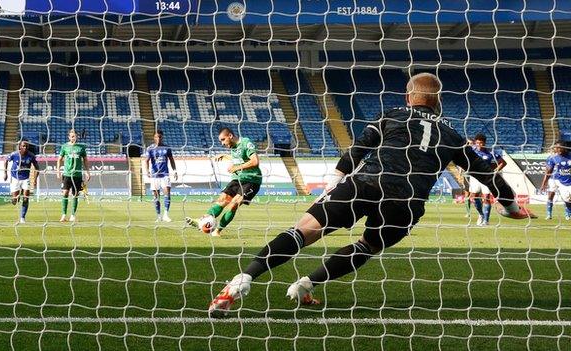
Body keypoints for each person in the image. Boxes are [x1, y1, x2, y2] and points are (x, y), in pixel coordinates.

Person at [206, 73, 535, 317]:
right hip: (406, 203)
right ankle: (306, 285)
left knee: (303, 231)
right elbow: (488, 174)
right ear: (438, 101)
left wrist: (336, 179)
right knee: (366, 246)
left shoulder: (390, 115)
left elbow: (358, 148)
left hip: (364, 183)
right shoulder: (452, 136)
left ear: (409, 98)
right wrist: (509, 206)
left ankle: (237, 284)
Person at [185, 127, 262, 237]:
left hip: (252, 180)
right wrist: (225, 155)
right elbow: (239, 156)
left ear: (230, 136)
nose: (222, 143)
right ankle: (201, 221)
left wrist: (237, 167)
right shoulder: (233, 147)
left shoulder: (246, 142)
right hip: (237, 179)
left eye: (223, 139)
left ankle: (217, 231)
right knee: (222, 200)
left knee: (233, 204)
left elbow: (255, 161)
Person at [469, 133, 506, 226]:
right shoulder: (471, 150)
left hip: (486, 177)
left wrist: (495, 170)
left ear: (484, 143)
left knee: (486, 197)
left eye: (481, 143)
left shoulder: (490, 153)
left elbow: (503, 162)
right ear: (475, 143)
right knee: (474, 197)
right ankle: (481, 214)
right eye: (477, 143)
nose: (479, 145)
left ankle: (486, 220)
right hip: (474, 176)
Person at [143, 130, 177, 222]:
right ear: (154, 138)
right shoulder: (150, 148)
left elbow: (171, 159)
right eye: (157, 137)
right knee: (156, 197)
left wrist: (175, 170)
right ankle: (158, 215)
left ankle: (166, 214)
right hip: (154, 176)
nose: (158, 138)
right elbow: (146, 160)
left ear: (162, 137)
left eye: (160, 137)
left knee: (167, 194)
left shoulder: (167, 148)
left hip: (165, 175)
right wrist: (147, 171)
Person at [56, 129, 90, 222]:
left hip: (77, 174)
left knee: (75, 194)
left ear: (77, 137)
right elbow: (59, 159)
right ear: (69, 137)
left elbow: (85, 160)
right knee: (65, 193)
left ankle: (73, 215)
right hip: (67, 174)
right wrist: (58, 171)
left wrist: (87, 171)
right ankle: (63, 214)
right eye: (71, 136)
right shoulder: (64, 147)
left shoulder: (81, 147)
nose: (73, 138)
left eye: (74, 136)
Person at [4, 141, 39, 223]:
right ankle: (16, 197)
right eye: (23, 146)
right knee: (14, 201)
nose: (25, 148)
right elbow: (6, 161)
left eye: (26, 146)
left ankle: (22, 217)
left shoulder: (31, 156)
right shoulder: (14, 154)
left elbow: (37, 168)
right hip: (15, 178)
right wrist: (5, 173)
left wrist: (34, 180)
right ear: (20, 147)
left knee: (26, 198)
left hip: (26, 178)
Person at [541, 140, 571, 220]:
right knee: (551, 195)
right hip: (554, 178)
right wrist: (544, 182)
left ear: (565, 148)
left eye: (559, 148)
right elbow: (548, 171)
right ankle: (549, 214)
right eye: (556, 148)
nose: (558, 150)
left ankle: (568, 213)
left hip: (566, 179)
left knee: (567, 198)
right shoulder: (552, 158)